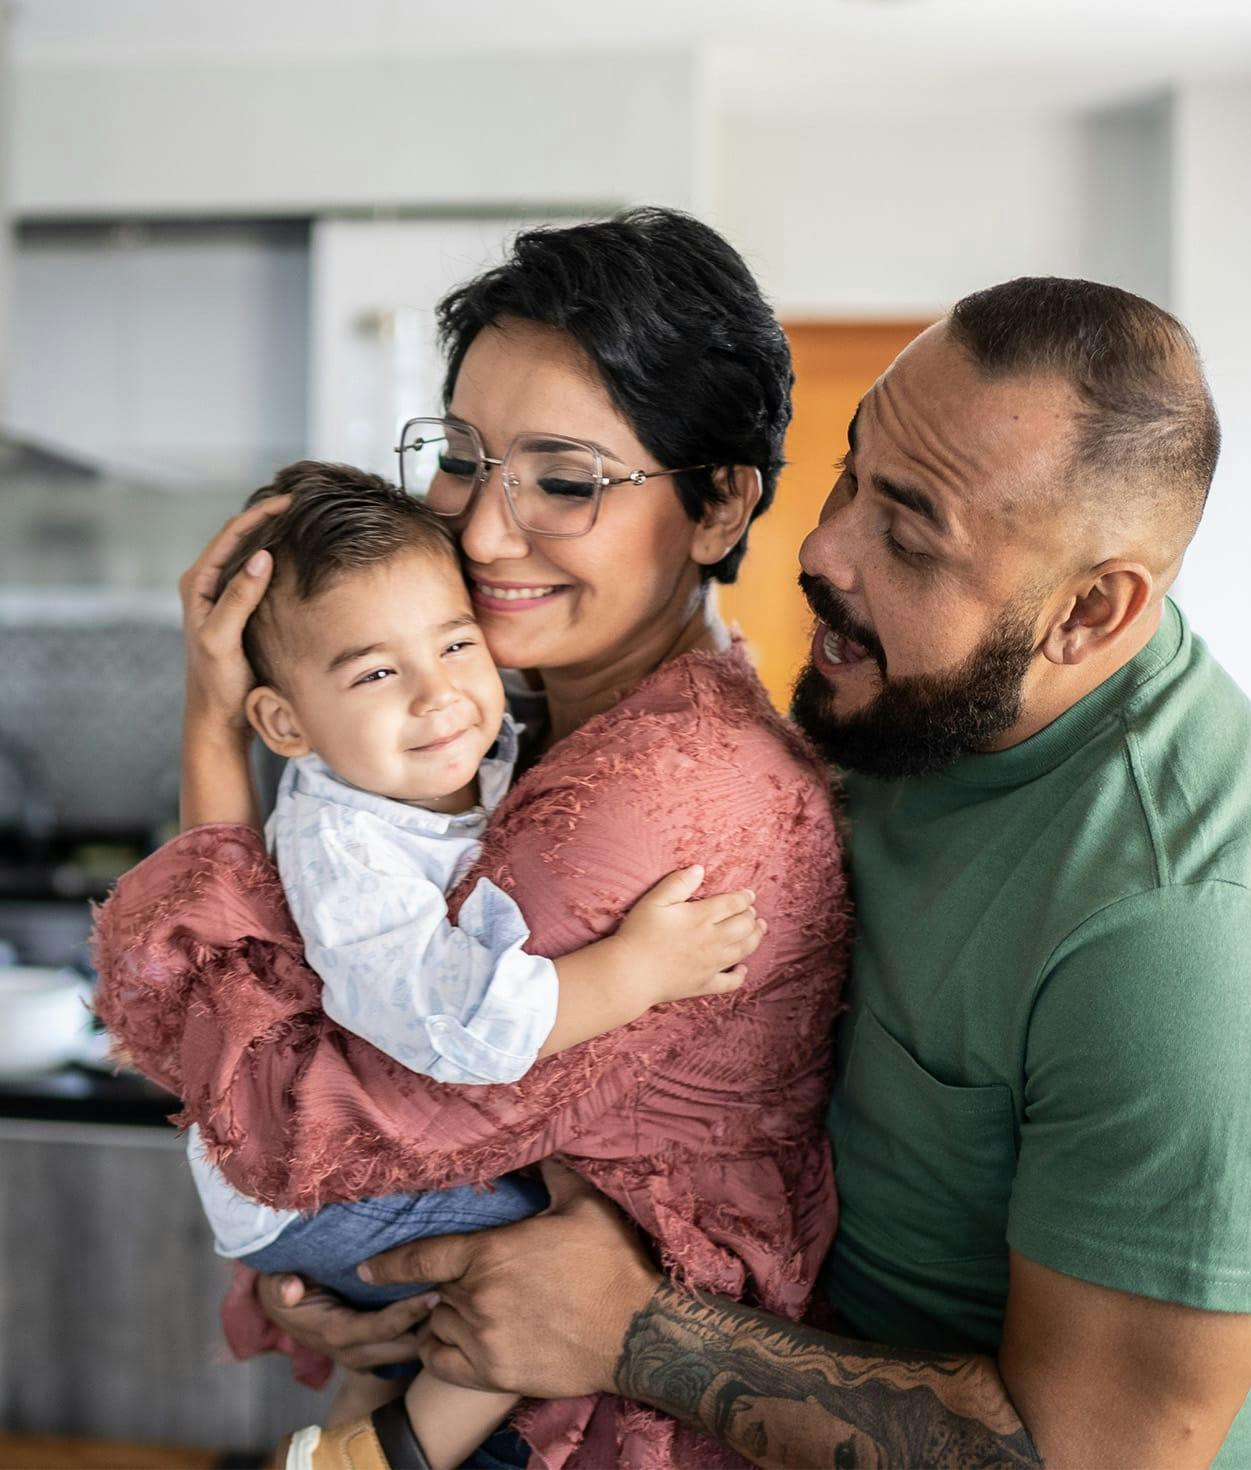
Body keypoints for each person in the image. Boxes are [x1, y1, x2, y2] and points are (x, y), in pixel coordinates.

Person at [253, 278, 1251, 1470]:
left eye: (907, 530)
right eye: (849, 473)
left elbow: (1094, 1457)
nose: (821, 547)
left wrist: (631, 1332)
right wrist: (395, 1273)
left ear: (1090, 611)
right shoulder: (911, 707)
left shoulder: (1200, 954)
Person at [91, 208, 849, 1470]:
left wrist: (214, 734)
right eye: (463, 458)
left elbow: (286, 1129)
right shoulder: (518, 729)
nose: (483, 533)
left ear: (718, 505)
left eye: (563, 479)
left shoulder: (644, 804)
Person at [127, 461, 766, 1468]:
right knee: (546, 1266)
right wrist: (641, 970)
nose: (440, 697)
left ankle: (365, 1414)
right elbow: (463, 1026)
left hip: (324, 1173)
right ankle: (379, 1454)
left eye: (457, 642)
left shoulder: (458, 750)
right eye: (377, 673)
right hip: (312, 1188)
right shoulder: (348, 855)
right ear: (287, 727)